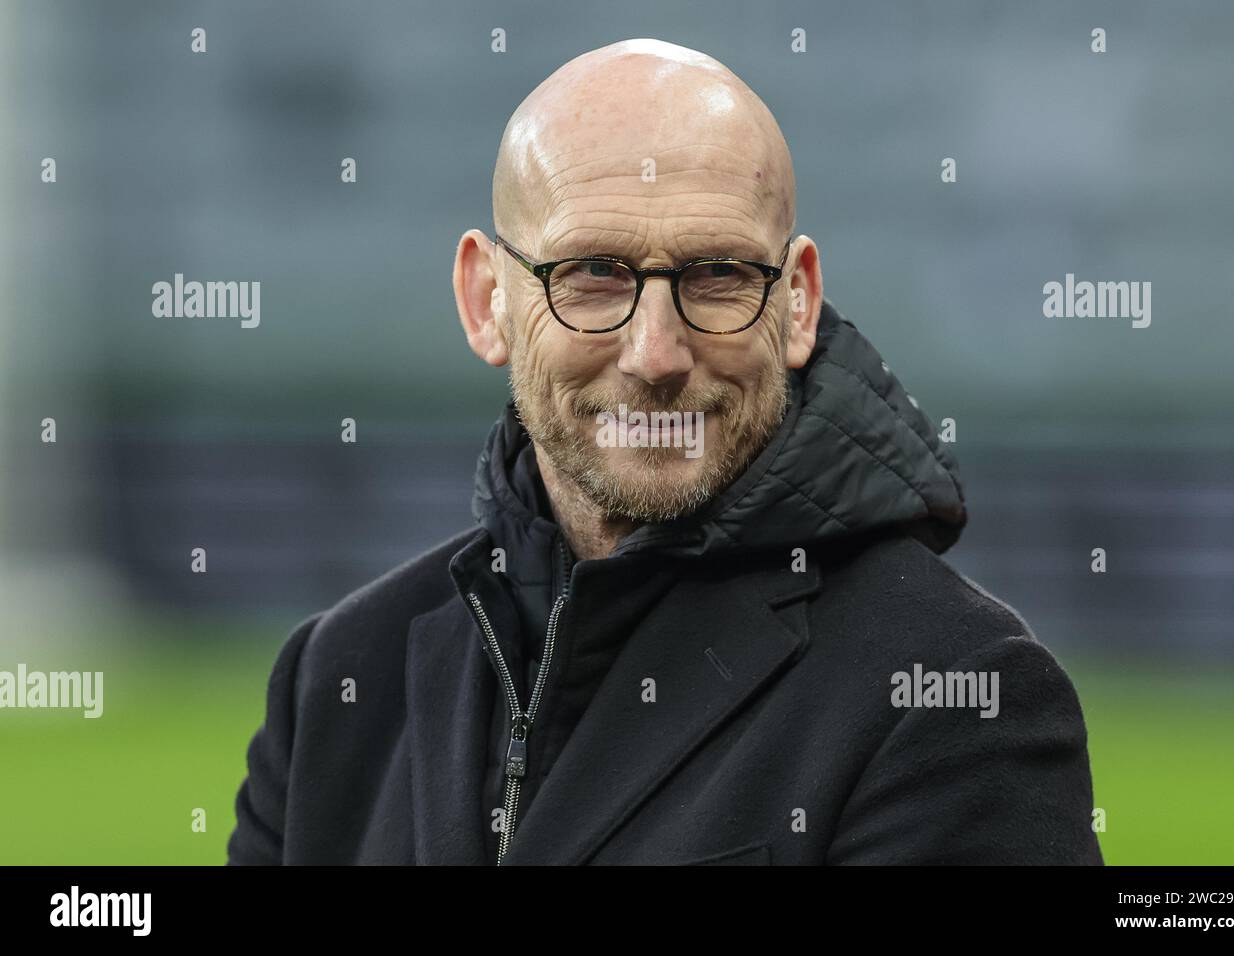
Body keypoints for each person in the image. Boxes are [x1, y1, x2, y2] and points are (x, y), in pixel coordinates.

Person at [227, 38, 1103, 865]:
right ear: (485, 299)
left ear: (797, 303)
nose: (655, 354)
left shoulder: (956, 694)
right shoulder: (336, 681)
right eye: (594, 275)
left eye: (718, 275)